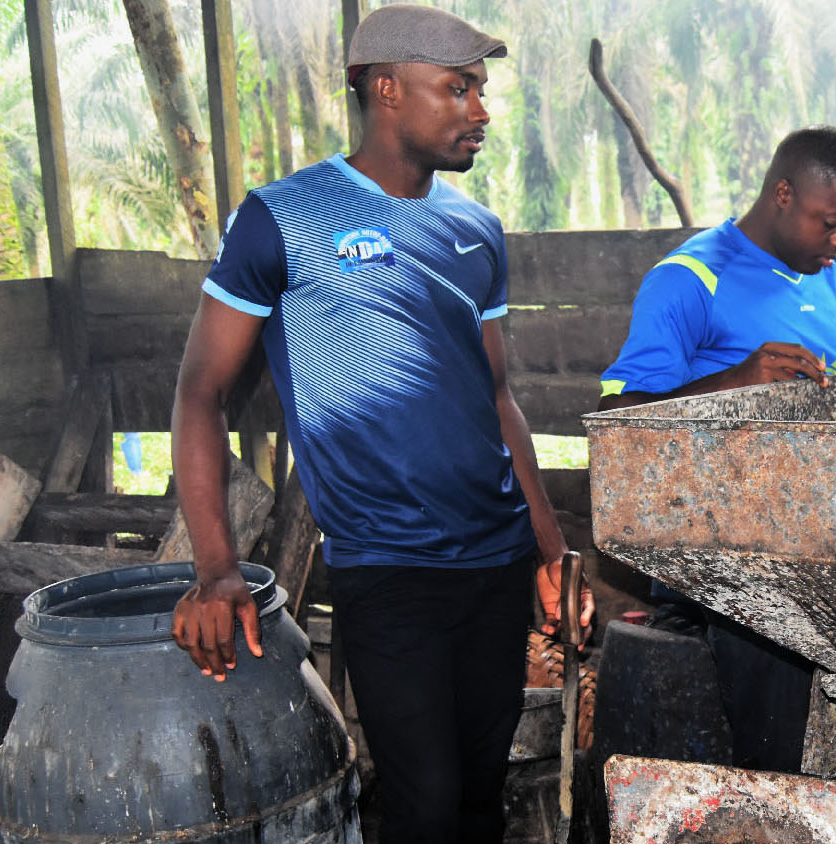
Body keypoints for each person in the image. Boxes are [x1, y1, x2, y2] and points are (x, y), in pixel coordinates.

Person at [168, 6, 589, 842]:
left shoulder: (475, 231)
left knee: (477, 798)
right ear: (386, 89)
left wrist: (549, 552)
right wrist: (215, 568)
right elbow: (198, 395)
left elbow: (498, 397)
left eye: (481, 89)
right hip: (387, 567)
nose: (481, 109)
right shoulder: (284, 219)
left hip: (498, 564)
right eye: (459, 88)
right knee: (422, 802)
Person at [596, 125, 836, 773]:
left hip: (816, 547)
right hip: (723, 565)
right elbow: (618, 420)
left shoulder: (831, 283)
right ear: (783, 194)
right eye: (832, 222)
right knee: (773, 748)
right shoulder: (688, 279)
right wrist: (734, 382)